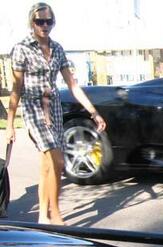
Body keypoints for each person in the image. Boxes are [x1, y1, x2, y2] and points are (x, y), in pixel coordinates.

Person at [5, 3, 106, 225]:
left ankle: (43, 215)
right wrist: (11, 125)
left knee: (48, 165)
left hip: (55, 109)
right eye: (40, 21)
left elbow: (73, 85)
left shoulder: (58, 49)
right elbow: (16, 88)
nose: (44, 25)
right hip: (33, 108)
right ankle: (56, 214)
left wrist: (94, 112)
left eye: (48, 21)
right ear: (31, 23)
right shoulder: (21, 48)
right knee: (57, 159)